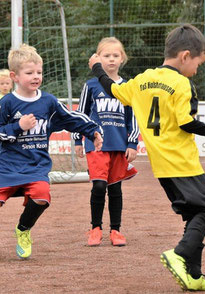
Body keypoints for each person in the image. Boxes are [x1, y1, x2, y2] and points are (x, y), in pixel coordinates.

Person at [89, 24, 205, 291]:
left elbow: (112, 89)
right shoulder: (182, 84)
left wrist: (97, 67)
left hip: (161, 166)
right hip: (182, 162)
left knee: (194, 215)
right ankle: (179, 254)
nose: (196, 70)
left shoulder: (142, 80)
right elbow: (186, 123)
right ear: (185, 56)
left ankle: (194, 275)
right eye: (198, 64)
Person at [0, 44, 103, 262]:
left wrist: (92, 131)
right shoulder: (6, 103)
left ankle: (23, 230)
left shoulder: (48, 101)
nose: (36, 77)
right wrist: (19, 126)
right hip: (6, 166)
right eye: (29, 73)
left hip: (36, 165)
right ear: (14, 76)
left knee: (42, 195)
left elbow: (70, 118)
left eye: (39, 72)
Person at [72, 37, 139, 247]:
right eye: (106, 55)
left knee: (115, 188)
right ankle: (95, 228)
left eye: (115, 55)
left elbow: (134, 117)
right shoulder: (91, 85)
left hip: (119, 145)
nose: (111, 59)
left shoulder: (128, 87)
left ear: (122, 59)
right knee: (99, 186)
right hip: (96, 143)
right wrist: (77, 139)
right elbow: (81, 114)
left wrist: (133, 143)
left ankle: (116, 231)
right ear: (97, 59)